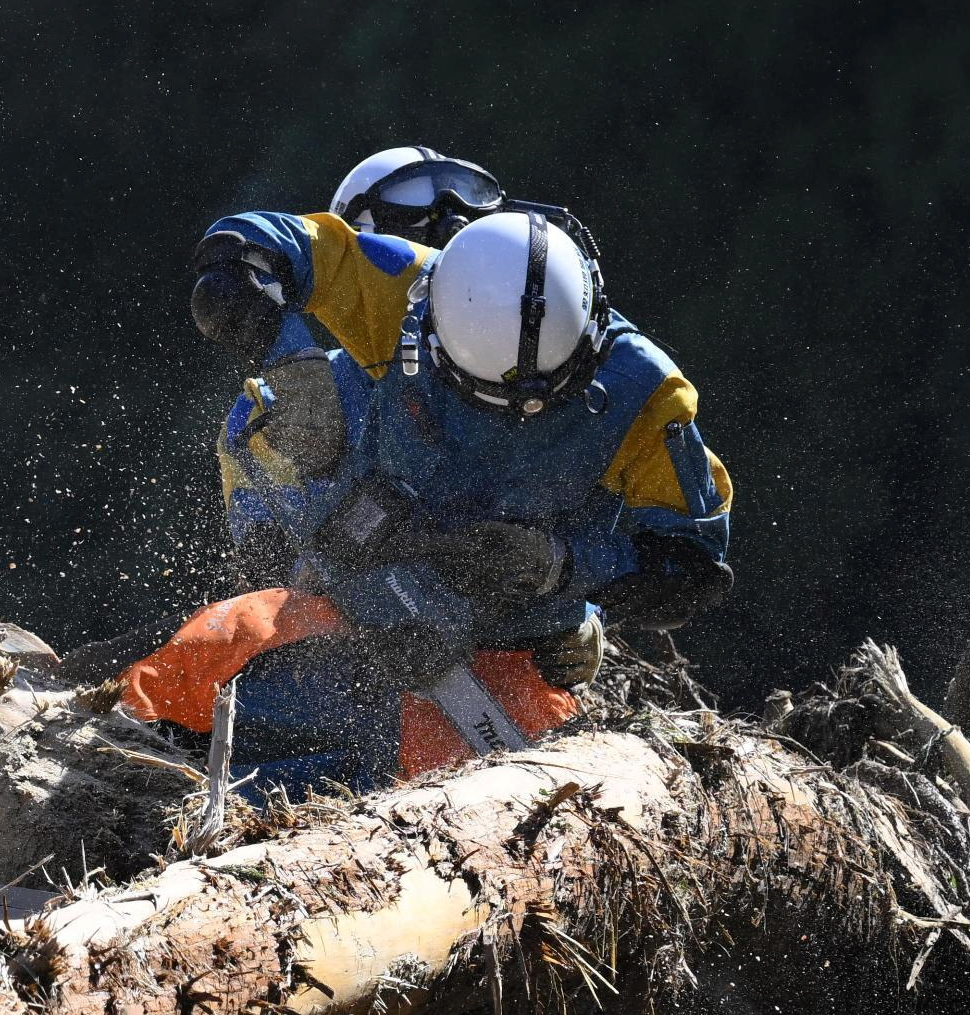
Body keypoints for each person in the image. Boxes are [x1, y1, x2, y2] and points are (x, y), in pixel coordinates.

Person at [131, 205, 733, 788]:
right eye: (483, 397)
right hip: (349, 578)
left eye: (541, 402)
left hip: (509, 635)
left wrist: (564, 564)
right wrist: (291, 359)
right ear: (433, 325)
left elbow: (692, 566)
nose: (515, 417)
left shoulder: (651, 399)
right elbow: (242, 251)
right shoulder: (400, 283)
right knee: (211, 672)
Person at [192, 146, 524, 555]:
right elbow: (275, 588)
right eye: (415, 247)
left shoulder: (572, 382)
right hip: (353, 611)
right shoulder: (265, 410)